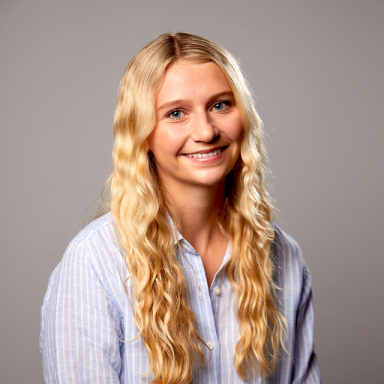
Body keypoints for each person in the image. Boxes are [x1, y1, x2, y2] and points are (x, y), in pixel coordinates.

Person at [39, 32, 321, 384]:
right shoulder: (93, 263)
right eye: (176, 113)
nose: (205, 131)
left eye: (221, 105)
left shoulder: (285, 256)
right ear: (141, 133)